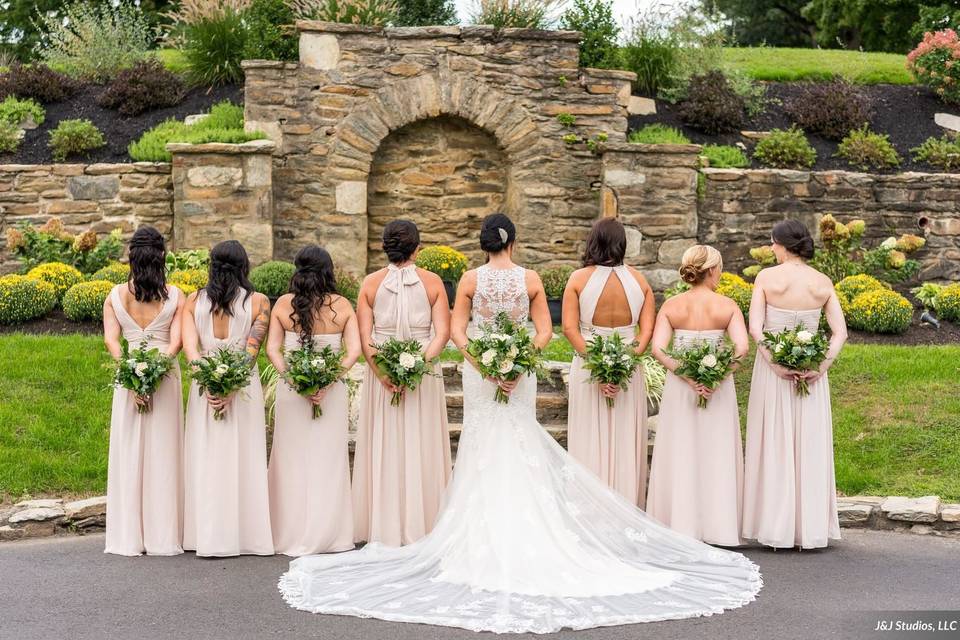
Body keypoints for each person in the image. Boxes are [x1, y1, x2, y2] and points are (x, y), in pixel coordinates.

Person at [277, 213, 761, 634]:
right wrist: (518, 361)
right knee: (517, 441)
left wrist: (484, 365)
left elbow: (459, 332)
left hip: (481, 374)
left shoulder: (466, 280)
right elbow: (547, 331)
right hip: (518, 375)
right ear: (512, 243)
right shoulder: (531, 279)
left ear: (484, 245)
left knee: (481, 444)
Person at [742, 219, 847, 550]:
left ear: (783, 245)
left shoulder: (767, 279)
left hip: (774, 374)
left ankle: (776, 527)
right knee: (809, 443)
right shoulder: (822, 282)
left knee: (774, 442)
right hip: (812, 375)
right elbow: (840, 332)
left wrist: (775, 363)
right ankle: (808, 530)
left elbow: (756, 328)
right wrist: (821, 366)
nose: (771, 248)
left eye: (772, 243)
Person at [352, 220, 452, 547]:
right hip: (421, 377)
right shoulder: (434, 282)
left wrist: (383, 373)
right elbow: (442, 334)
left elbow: (366, 339)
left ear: (384, 246)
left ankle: (382, 521)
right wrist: (418, 366)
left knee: (386, 441)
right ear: (417, 248)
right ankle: (423, 522)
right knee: (421, 442)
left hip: (383, 378)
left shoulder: (369, 283)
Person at [647, 245, 748, 546]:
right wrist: (716, 377)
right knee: (716, 449)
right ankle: (718, 525)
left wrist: (687, 375)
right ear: (713, 270)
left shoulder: (672, 306)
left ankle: (679, 523)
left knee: (681, 449)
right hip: (717, 390)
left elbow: (659, 349)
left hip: (681, 388)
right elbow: (742, 349)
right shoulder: (728, 306)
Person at [266, 245, 361, 556]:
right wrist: (329, 381)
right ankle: (329, 533)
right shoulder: (343, 306)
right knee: (327, 459)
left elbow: (272, 351)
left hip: (292, 393)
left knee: (290, 459)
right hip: (330, 395)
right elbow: (354, 352)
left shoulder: (283, 304)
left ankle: (288, 532)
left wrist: (293, 380)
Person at [181, 240, 274, 557]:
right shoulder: (259, 302)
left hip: (203, 389)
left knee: (206, 456)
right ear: (243, 266)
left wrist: (207, 381)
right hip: (243, 388)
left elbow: (191, 349)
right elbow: (252, 350)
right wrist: (232, 386)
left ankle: (204, 534)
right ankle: (246, 535)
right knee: (243, 457)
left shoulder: (193, 301)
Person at [103, 226, 185, 556]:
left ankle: (129, 535)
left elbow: (112, 340)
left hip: (130, 377)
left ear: (131, 257)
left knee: (130, 451)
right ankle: (163, 534)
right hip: (164, 378)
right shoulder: (176, 295)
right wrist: (153, 373)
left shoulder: (114, 296)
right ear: (162, 256)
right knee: (163, 453)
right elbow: (176, 342)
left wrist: (133, 373)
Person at [562, 218, 655, 506]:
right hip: (628, 368)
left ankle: (590, 504)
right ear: (622, 244)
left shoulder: (578, 279)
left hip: (589, 366)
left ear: (594, 242)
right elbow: (647, 331)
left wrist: (597, 366)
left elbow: (569, 329)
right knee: (626, 437)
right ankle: (626, 502)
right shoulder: (640, 281)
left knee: (589, 435)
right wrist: (625, 365)